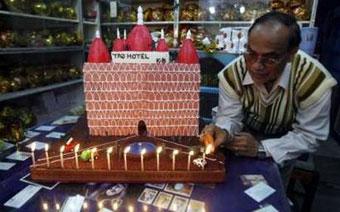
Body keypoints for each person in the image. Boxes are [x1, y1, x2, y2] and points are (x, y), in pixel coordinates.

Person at [200, 11, 337, 186]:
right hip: (244, 135)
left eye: (270, 58)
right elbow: (229, 115)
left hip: (286, 143)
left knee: (271, 191)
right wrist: (224, 132)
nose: (256, 66)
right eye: (251, 53)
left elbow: (309, 136)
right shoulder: (232, 74)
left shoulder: (314, 81)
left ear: (291, 53)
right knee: (236, 186)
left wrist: (261, 148)